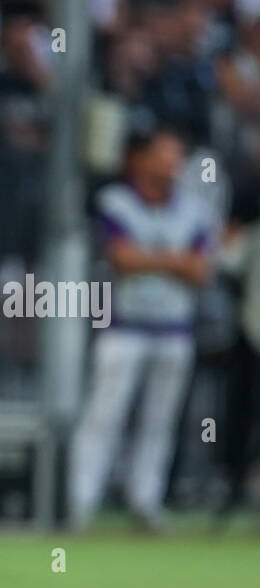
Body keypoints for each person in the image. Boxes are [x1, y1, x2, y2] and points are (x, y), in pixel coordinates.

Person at [70, 125, 215, 531]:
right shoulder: (116, 202)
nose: (172, 164)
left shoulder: (194, 210)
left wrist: (152, 258)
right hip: (124, 326)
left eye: (178, 156)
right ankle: (80, 500)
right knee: (105, 415)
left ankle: (145, 501)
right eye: (164, 155)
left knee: (160, 422)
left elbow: (200, 268)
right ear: (143, 159)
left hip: (174, 329)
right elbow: (122, 259)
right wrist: (173, 261)